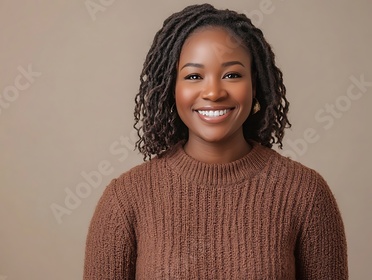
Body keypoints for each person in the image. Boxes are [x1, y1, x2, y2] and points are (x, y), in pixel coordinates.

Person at [83, 3, 348, 279]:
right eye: (194, 76)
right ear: (172, 88)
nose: (213, 92)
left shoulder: (306, 195)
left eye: (232, 75)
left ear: (254, 85)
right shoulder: (125, 200)